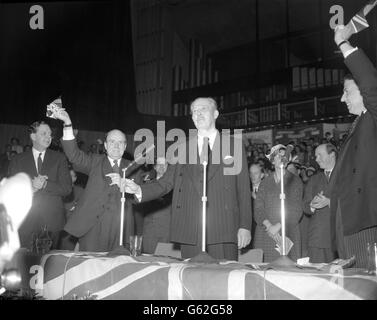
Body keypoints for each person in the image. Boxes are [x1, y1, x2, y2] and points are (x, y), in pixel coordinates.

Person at [124, 97, 252, 260]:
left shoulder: (234, 145)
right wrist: (139, 190)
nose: (197, 114)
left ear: (215, 114)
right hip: (190, 229)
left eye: (203, 109)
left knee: (222, 282)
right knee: (191, 281)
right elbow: (167, 182)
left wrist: (244, 226)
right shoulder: (183, 147)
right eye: (194, 111)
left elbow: (243, 191)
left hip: (224, 228)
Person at [328, 25, 377, 268]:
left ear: (362, 92)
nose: (342, 98)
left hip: (365, 223)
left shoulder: (373, 117)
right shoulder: (356, 125)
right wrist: (327, 196)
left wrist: (344, 45)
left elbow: (370, 82)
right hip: (345, 223)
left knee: (367, 286)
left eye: (346, 91)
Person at [54, 110, 135, 252]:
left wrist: (130, 186)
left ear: (125, 146)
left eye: (120, 142)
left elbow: (143, 193)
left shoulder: (133, 167)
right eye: (112, 142)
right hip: (92, 228)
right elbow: (74, 155)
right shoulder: (94, 162)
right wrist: (67, 123)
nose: (116, 146)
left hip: (121, 229)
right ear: (105, 145)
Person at [8, 121, 72, 249]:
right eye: (44, 133)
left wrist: (45, 185)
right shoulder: (18, 160)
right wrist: (32, 189)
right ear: (33, 136)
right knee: (26, 263)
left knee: (47, 264)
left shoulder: (60, 158)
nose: (48, 137)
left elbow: (67, 189)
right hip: (25, 221)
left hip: (52, 222)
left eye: (50, 134)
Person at [253, 144, 303, 262]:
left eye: (283, 155)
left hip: (287, 232)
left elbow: (296, 209)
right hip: (266, 232)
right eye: (277, 155)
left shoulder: (295, 181)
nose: (281, 157)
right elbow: (258, 208)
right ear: (272, 161)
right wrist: (269, 226)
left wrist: (278, 226)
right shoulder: (264, 183)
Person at [303, 144, 337, 263]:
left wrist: (329, 202)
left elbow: (353, 202)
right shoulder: (314, 179)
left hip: (341, 237)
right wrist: (311, 205)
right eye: (315, 156)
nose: (316, 159)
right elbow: (305, 206)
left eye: (319, 155)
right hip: (318, 238)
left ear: (332, 154)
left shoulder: (346, 176)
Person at [136, 156, 173, 254]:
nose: (161, 167)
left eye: (164, 164)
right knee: (148, 260)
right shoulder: (147, 185)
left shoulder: (174, 185)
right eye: (159, 164)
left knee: (164, 260)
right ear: (155, 167)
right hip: (149, 229)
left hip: (166, 229)